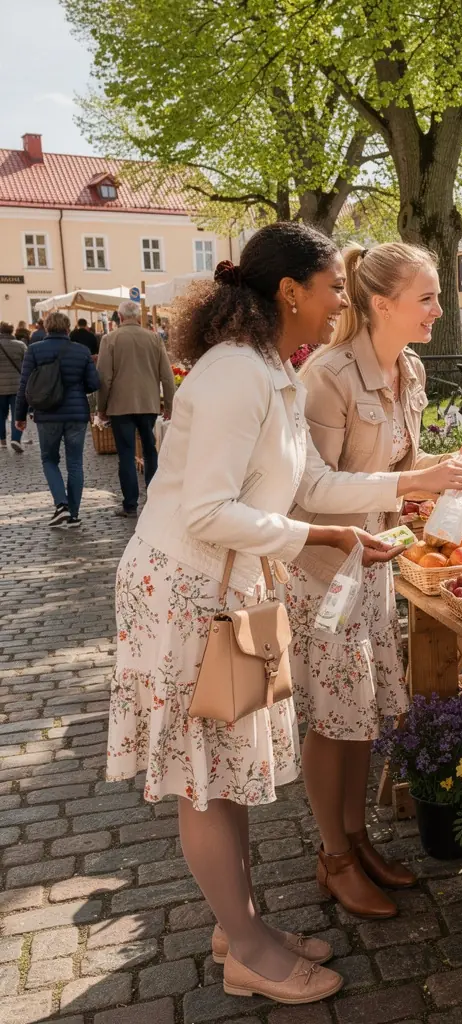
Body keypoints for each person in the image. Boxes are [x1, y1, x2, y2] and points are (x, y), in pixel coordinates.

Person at [105, 221, 407, 1005]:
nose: (343, 297)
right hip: (187, 594)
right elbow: (208, 511)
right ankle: (245, 949)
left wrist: (413, 484)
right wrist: (321, 535)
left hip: (230, 593)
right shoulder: (237, 375)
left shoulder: (268, 368)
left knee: (228, 776)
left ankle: (239, 924)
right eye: (334, 285)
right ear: (289, 292)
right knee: (206, 780)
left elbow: (305, 486)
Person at [287, 244, 462, 918]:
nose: (440, 309)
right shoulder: (327, 376)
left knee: (359, 720)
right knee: (332, 719)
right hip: (323, 574)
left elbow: (404, 464)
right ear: (382, 303)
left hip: (375, 567)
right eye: (428, 298)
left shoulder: (406, 370)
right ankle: (335, 856)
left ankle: (357, 838)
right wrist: (415, 480)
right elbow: (309, 488)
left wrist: (456, 464)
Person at [15, 312, 100, 527]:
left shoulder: (34, 350)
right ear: (67, 328)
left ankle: (61, 504)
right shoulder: (81, 351)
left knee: (49, 460)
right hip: (76, 414)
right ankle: (73, 514)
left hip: (47, 414)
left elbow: (25, 386)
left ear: (46, 327)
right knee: (75, 463)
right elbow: (93, 383)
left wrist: (20, 416)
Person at [97, 300, 177, 519]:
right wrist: (169, 405)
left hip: (120, 405)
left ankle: (130, 504)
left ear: (119, 318)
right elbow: (167, 377)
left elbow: (104, 377)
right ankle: (154, 500)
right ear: (138, 318)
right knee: (150, 451)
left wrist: (100, 408)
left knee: (126, 454)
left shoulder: (109, 339)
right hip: (148, 403)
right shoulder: (154, 338)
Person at [0, 322, 27, 452]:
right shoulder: (20, 345)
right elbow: (28, 364)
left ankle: (2, 439)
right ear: (12, 331)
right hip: (18, 386)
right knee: (18, 413)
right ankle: (16, 439)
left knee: (0, 414)